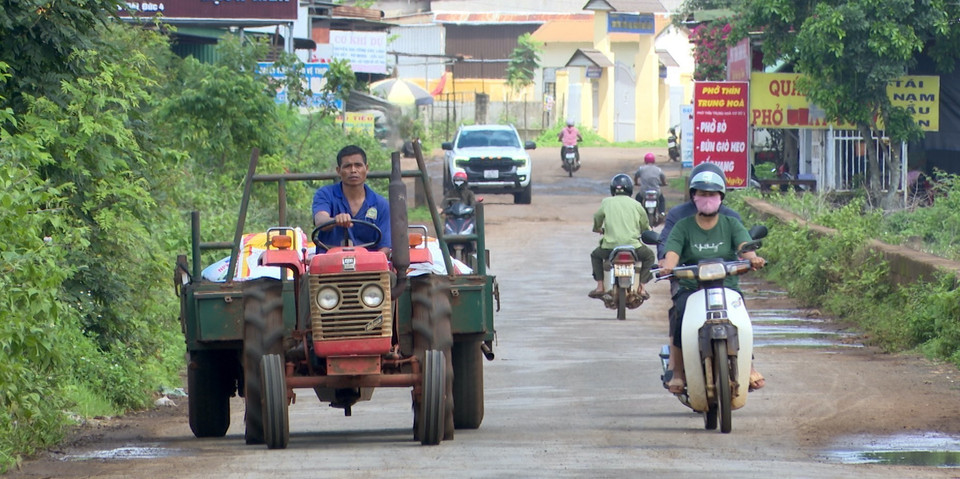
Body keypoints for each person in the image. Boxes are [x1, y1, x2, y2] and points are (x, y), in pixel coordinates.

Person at [659, 167, 766, 394]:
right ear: (694, 197)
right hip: (691, 287)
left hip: (727, 286)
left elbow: (744, 247)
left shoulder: (731, 223)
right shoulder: (682, 226)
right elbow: (673, 252)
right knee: (679, 315)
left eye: (712, 195)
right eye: (702, 194)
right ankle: (678, 371)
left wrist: (753, 259)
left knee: (742, 320)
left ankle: (749, 366)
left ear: (721, 197)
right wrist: (668, 265)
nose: (707, 199)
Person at [312, 145, 392, 256]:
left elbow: (385, 247)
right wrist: (335, 220)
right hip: (329, 264)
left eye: (358, 165)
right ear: (338, 171)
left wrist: (369, 261)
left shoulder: (381, 204)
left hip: (369, 267)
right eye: (347, 166)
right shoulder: (325, 194)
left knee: (391, 274)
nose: (353, 170)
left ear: (366, 169)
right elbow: (320, 220)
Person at [588, 174, 655, 301]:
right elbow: (645, 225)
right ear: (630, 189)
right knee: (650, 256)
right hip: (634, 247)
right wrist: (647, 231)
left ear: (612, 189)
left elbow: (597, 217)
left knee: (595, 255)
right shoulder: (636, 205)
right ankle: (642, 287)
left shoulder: (606, 202)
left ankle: (600, 286)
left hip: (609, 247)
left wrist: (597, 228)